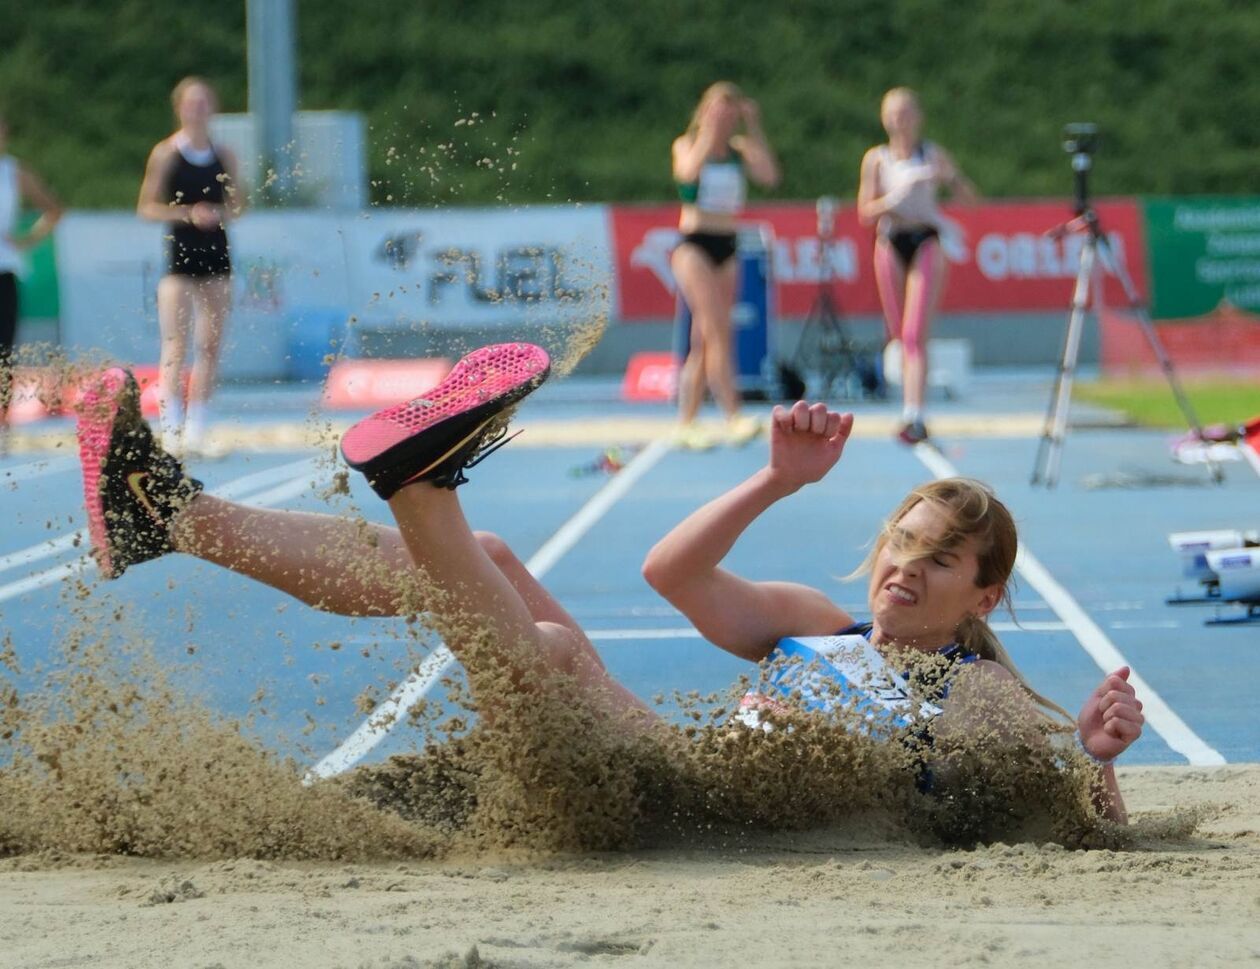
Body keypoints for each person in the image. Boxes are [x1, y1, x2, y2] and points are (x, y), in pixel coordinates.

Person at [75, 343, 1144, 823]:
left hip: (669, 806)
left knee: (542, 648)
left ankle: (421, 487)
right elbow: (671, 573)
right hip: (650, 758)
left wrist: (1095, 761)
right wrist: (773, 479)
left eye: (940, 561)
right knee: (489, 566)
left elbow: (1066, 813)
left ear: (984, 597)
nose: (906, 569)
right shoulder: (819, 628)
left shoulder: (975, 693)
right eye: (900, 544)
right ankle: (167, 514)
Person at [857, 87, 977, 445]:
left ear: (918, 116)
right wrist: (895, 199)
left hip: (925, 239)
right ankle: (909, 402)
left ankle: (915, 413)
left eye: (907, 112)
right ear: (883, 117)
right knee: (898, 333)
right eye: (893, 112)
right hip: (891, 240)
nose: (900, 119)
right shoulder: (876, 159)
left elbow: (970, 199)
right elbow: (865, 211)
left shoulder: (932, 154)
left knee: (914, 333)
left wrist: (947, 177)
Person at [136, 76, 242, 456]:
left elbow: (239, 205)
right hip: (179, 255)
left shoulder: (223, 153)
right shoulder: (166, 153)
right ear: (179, 108)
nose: (197, 110)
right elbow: (146, 207)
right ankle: (171, 426)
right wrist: (187, 214)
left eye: (204, 103)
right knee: (175, 343)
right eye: (191, 103)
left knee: (210, 343)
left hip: (216, 253)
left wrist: (217, 213)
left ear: (212, 108)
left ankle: (199, 424)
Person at [671, 82, 779, 450]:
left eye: (730, 113)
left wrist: (753, 126)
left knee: (704, 339)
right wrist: (706, 132)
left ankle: (686, 421)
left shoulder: (740, 151)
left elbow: (768, 176)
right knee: (718, 330)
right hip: (694, 245)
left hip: (727, 246)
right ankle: (732, 414)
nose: (724, 120)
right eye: (719, 111)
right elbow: (686, 174)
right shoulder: (687, 145)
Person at [0, 113, 63, 453]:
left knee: (4, 351)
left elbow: (52, 209)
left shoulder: (12, 172)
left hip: (4, 269)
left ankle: (2, 423)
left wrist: (25, 240)